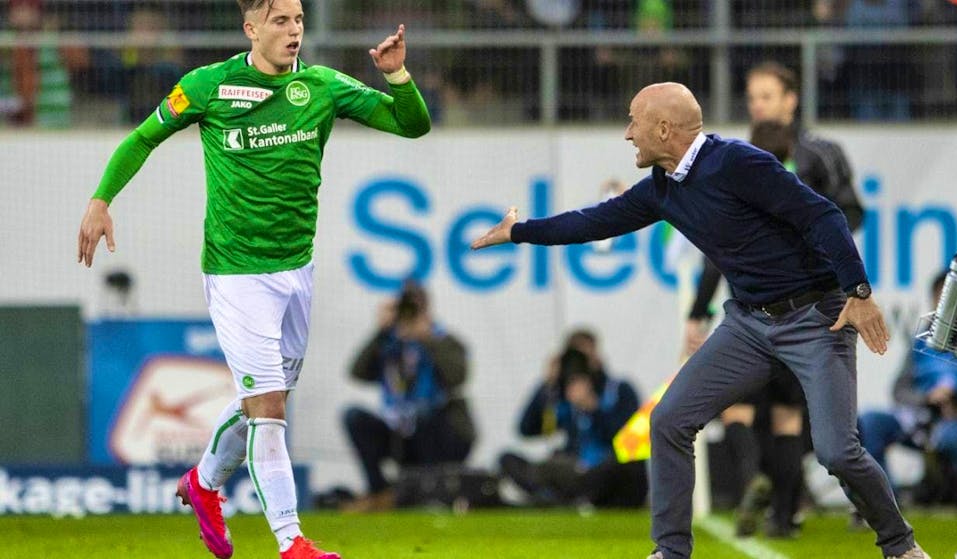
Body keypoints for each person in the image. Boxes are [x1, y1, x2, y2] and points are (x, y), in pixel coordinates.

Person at [470, 82, 929, 559]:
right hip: (749, 326)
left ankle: (901, 547)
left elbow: (825, 215)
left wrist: (858, 292)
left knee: (837, 452)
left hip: (815, 318)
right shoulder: (663, 190)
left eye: (634, 122)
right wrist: (519, 232)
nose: (628, 134)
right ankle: (670, 552)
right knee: (668, 420)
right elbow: (594, 222)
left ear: (664, 129)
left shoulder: (738, 163)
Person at [76, 0, 431, 557]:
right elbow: (142, 137)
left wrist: (397, 75)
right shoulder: (208, 86)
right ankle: (292, 541)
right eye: (280, 21)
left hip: (297, 271)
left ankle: (202, 483)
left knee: (264, 399)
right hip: (237, 273)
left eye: (298, 20)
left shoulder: (323, 86)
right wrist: (101, 200)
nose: (294, 31)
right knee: (268, 410)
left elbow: (413, 125)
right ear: (251, 28)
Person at [684, 61, 865, 538]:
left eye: (767, 96)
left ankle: (758, 484)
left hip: (776, 304)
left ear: (791, 99)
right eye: (752, 97)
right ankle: (784, 514)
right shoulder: (741, 155)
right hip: (795, 304)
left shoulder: (807, 155)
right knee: (788, 415)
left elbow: (845, 215)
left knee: (745, 409)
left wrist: (697, 312)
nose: (758, 105)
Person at [858, 273, 957, 508]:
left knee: (955, 436)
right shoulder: (922, 340)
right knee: (871, 422)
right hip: (921, 419)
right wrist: (925, 398)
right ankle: (886, 501)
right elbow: (900, 389)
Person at [342, 279, 475, 512]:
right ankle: (379, 491)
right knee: (353, 416)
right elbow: (357, 372)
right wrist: (380, 332)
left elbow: (457, 378)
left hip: (438, 431)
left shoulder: (444, 340)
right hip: (399, 430)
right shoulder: (389, 344)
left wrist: (428, 339)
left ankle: (427, 490)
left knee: (424, 415)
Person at [499, 329, 647, 508]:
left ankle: (561, 498)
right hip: (573, 470)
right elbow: (526, 429)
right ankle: (562, 497)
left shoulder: (619, 390)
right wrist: (547, 385)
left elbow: (631, 440)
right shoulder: (563, 396)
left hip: (606, 469)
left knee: (626, 465)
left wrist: (593, 408)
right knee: (508, 459)